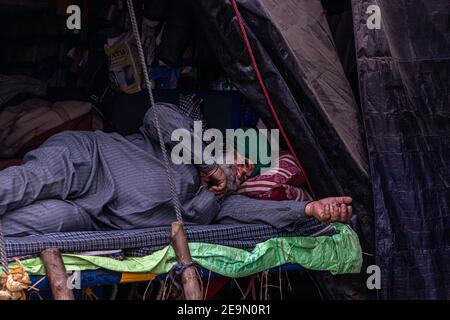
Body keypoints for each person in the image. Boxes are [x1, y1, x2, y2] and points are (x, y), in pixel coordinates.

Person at [0, 103, 352, 236]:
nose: (245, 170)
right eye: (243, 159)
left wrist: (310, 208)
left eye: (250, 170)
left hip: (89, 214)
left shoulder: (221, 203)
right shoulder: (191, 141)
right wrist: (209, 163)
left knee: (49, 222)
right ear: (224, 148)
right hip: (87, 161)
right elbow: (156, 115)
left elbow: (260, 212)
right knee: (28, 183)